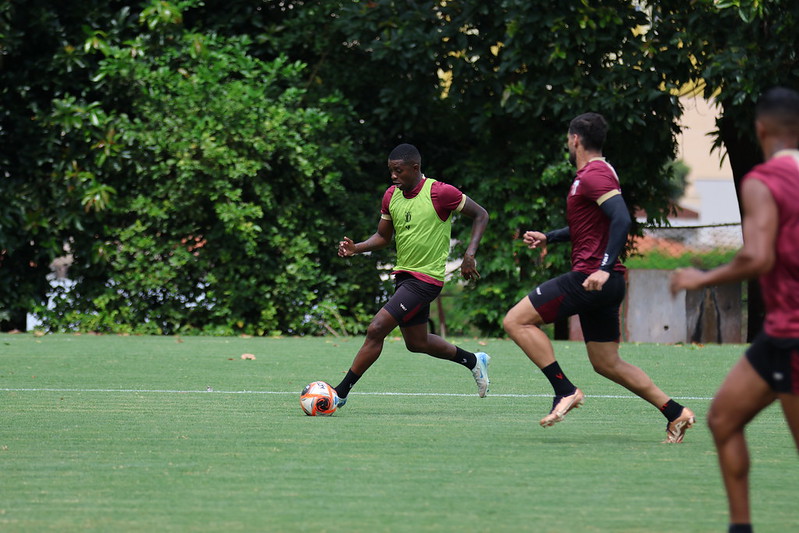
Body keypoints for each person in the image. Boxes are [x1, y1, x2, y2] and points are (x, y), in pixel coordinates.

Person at [502, 112, 695, 442]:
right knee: (606, 362)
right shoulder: (596, 174)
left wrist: (603, 268)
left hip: (591, 278)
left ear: (575, 139)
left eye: (567, 138)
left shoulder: (593, 174)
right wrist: (551, 236)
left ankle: (564, 390)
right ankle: (675, 412)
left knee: (516, 321)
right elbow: (591, 225)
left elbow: (621, 218)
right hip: (605, 282)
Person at [670, 87, 799, 533]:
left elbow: (758, 256)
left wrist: (699, 278)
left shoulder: (764, 180)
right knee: (723, 419)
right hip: (777, 337)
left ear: (760, 129)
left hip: (793, 334)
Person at [333, 143, 490, 408]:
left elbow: (481, 215)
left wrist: (469, 254)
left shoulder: (440, 192)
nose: (393, 176)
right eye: (391, 171)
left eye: (398, 171)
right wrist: (355, 249)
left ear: (415, 168)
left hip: (426, 279)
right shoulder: (391, 196)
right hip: (404, 278)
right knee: (417, 343)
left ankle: (340, 393)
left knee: (376, 328)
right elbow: (383, 237)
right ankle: (474, 361)